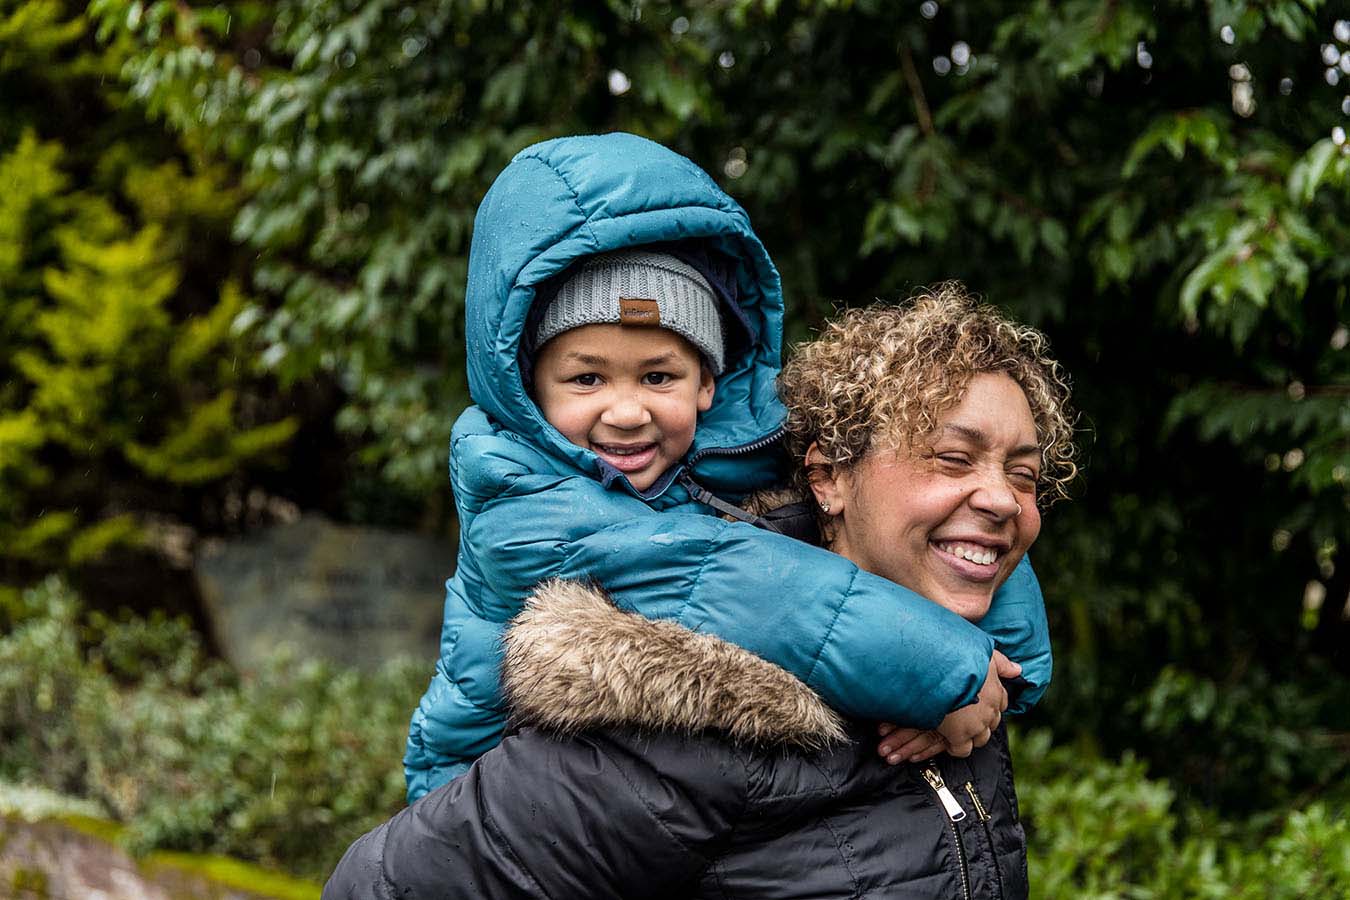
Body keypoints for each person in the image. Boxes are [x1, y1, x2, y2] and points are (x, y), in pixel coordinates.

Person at [325, 286, 1078, 899]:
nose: (1005, 500)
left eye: (1024, 473)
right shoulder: (689, 720)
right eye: (952, 458)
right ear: (826, 477)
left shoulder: (962, 685)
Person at [405, 132, 1054, 802]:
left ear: (707, 383)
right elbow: (724, 578)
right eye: (587, 379)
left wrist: (996, 672)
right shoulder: (514, 489)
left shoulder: (744, 436)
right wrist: (939, 669)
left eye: (659, 376)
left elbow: (964, 530)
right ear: (530, 385)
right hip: (477, 784)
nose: (627, 412)